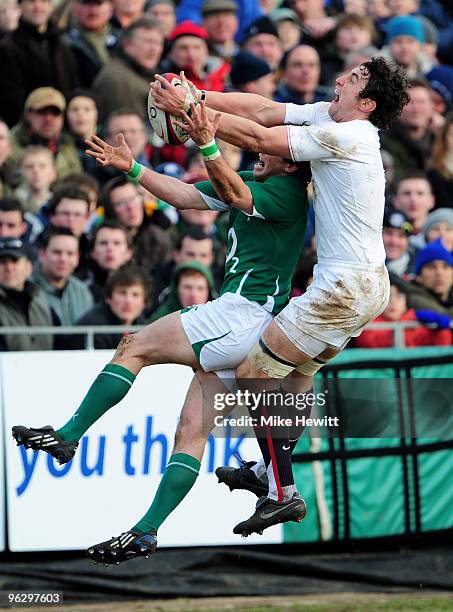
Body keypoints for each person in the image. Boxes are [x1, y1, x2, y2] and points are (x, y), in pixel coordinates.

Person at [12, 102, 310, 564]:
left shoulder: (288, 192)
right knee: (190, 433)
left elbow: (234, 194)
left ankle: (69, 435)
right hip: (251, 329)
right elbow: (185, 196)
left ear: (290, 162)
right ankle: (146, 532)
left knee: (134, 346)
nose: (258, 148)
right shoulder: (258, 181)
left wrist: (208, 141)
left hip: (241, 312)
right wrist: (132, 168)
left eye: (265, 147)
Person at [150, 55, 410, 536]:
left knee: (253, 372)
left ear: (367, 103)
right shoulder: (332, 118)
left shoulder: (348, 135)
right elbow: (263, 110)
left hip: (344, 285)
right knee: (294, 377)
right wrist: (202, 97)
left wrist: (190, 111)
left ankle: (283, 493)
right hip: (365, 284)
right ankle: (270, 472)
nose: (340, 80)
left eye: (352, 80)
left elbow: (257, 139)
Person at [0, 0, 79, 127]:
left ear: (50, 6)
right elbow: (11, 101)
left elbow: (73, 87)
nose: (38, 7)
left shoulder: (62, 45)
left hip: (63, 130)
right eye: (31, 1)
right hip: (27, 131)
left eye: (43, 1)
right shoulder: (7, 48)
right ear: (19, 6)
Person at [92, 17, 164, 122]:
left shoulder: (140, 72)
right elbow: (128, 130)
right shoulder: (119, 80)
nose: (154, 49)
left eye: (158, 43)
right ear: (126, 44)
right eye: (148, 41)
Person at [354, 274, 452, 348]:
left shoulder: (417, 323)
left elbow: (441, 345)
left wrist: (441, 328)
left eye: (399, 297)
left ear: (406, 302)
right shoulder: (370, 323)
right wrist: (407, 322)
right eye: (388, 297)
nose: (393, 301)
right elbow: (367, 341)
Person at [68, 264, 148, 349]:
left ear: (144, 302)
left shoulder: (144, 327)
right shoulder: (95, 326)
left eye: (135, 295)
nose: (128, 301)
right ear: (108, 298)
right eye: (122, 293)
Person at [9, 87, 82, 180]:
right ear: (27, 114)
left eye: (55, 113)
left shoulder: (68, 144)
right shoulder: (8, 145)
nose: (48, 119)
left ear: (63, 117)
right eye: (42, 112)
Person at [0, 236, 54, 350]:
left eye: (15, 261)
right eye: (2, 262)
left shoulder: (41, 300)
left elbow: (60, 344)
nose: (9, 267)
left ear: (28, 268)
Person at [33, 227, 94, 325]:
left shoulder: (83, 292)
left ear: (77, 257)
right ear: (42, 254)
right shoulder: (25, 289)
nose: (63, 259)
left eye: (70, 254)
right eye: (57, 252)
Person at [151, 260, 215, 321]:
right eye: (187, 287)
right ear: (176, 289)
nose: (193, 294)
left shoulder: (217, 319)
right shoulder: (160, 319)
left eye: (200, 288)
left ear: (209, 291)